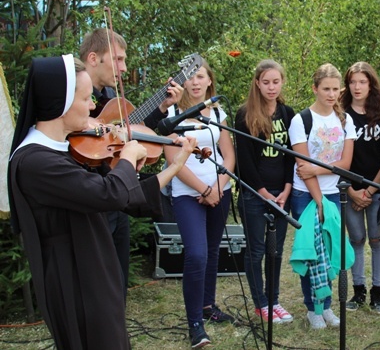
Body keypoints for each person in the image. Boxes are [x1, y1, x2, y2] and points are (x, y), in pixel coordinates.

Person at [8, 55, 195, 350]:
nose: (94, 106)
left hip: (92, 264)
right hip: (74, 277)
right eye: (86, 98)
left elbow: (127, 198)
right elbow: (109, 193)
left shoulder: (68, 149)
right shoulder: (35, 161)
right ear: (62, 103)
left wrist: (174, 166)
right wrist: (127, 159)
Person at [79, 28, 184, 299]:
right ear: (93, 58)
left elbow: (130, 134)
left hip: (117, 199)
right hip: (88, 203)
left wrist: (162, 108)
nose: (124, 68)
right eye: (118, 60)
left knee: (118, 279)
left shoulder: (109, 99)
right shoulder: (71, 102)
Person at [163, 60, 235, 347]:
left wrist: (218, 185)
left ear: (209, 82)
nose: (195, 82)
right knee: (196, 254)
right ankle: (195, 323)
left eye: (200, 76)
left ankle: (208, 307)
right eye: (190, 77)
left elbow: (228, 154)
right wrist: (204, 188)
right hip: (187, 193)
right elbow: (172, 161)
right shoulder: (170, 113)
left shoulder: (217, 111)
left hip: (220, 189)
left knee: (213, 250)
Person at [288, 63, 356, 329]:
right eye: (326, 89)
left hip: (333, 193)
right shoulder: (301, 120)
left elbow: (346, 162)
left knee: (330, 249)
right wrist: (317, 201)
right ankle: (312, 307)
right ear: (315, 88)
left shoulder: (344, 120)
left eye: (336, 89)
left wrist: (317, 167)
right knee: (312, 250)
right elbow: (301, 169)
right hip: (307, 194)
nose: (331, 94)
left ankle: (326, 306)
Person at [235, 59, 295, 324]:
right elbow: (244, 161)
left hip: (282, 193)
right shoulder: (245, 114)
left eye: (276, 81)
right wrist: (262, 192)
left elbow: (292, 156)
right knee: (256, 251)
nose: (271, 87)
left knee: (276, 251)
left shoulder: (288, 113)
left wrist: (286, 189)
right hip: (254, 194)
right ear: (257, 83)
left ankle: (274, 300)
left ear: (282, 82)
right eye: (266, 82)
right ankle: (261, 304)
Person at [339, 62, 380, 314]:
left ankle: (377, 292)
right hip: (349, 188)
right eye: (352, 82)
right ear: (347, 85)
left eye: (362, 81)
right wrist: (352, 190)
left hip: (377, 188)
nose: (357, 87)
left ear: (371, 84)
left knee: (376, 238)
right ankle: (358, 290)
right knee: (356, 239)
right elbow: (335, 155)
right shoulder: (339, 115)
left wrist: (371, 191)